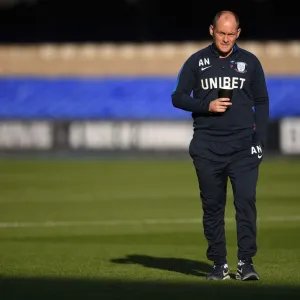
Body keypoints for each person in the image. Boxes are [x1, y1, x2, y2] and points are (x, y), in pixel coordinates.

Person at [171, 10, 269, 281]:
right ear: (212, 30)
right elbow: (177, 97)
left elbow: (261, 101)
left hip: (243, 149)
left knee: (246, 203)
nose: (226, 39)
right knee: (212, 207)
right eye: (221, 33)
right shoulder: (196, 61)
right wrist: (207, 106)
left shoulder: (250, 62)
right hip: (207, 147)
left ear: (238, 33)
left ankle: (246, 263)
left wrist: (258, 140)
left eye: (231, 34)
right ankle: (219, 265)